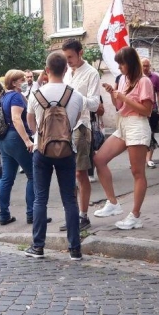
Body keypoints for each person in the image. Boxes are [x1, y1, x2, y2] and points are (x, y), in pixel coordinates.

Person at [24, 52, 85, 259]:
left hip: (42, 150)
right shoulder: (75, 95)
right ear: (66, 69)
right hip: (67, 150)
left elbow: (31, 122)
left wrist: (38, 136)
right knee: (69, 199)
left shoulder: (36, 95)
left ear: (46, 70)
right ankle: (75, 248)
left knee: (40, 198)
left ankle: (38, 246)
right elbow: (75, 121)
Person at [91, 47, 154, 229]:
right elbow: (118, 104)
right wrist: (113, 93)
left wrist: (124, 98)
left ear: (130, 63)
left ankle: (135, 215)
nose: (119, 67)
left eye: (121, 63)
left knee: (137, 172)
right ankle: (113, 203)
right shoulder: (124, 79)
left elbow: (146, 110)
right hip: (123, 123)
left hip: (137, 124)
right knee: (99, 159)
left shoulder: (144, 82)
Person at [61, 39, 101, 232]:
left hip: (81, 126)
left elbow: (95, 103)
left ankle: (83, 215)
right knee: (67, 173)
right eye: (65, 57)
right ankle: (72, 214)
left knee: (80, 172)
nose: (68, 61)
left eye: (70, 57)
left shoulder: (91, 73)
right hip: (64, 126)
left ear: (80, 53)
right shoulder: (67, 71)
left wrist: (74, 98)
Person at [0, 70, 37, 226]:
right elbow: (16, 118)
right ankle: (32, 214)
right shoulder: (16, 97)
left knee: (7, 178)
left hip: (5, 139)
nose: (25, 81)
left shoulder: (5, 96)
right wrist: (27, 140)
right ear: (14, 82)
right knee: (33, 175)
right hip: (16, 138)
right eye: (22, 79)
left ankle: (4, 215)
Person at [141, 58, 159, 168]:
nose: (145, 68)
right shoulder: (137, 77)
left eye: (147, 66)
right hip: (140, 111)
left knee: (151, 134)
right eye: (143, 65)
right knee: (141, 135)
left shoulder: (155, 77)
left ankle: (149, 159)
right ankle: (140, 159)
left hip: (152, 110)